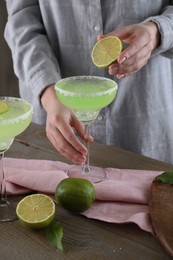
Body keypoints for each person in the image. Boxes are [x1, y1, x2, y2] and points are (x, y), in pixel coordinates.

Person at [4, 1, 173, 164]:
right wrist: (50, 94)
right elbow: (21, 21)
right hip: (54, 117)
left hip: (145, 123)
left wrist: (157, 32)